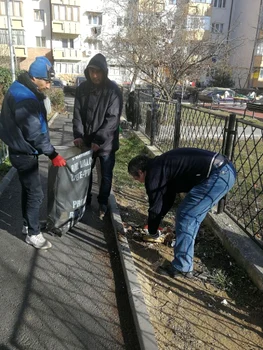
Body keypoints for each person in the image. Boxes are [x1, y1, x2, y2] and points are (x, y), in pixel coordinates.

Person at [128, 148, 236, 279]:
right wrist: (157, 220)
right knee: (191, 215)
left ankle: (182, 267)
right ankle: (187, 247)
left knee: (186, 216)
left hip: (218, 176)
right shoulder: (160, 165)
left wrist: (152, 231)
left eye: (135, 178)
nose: (137, 181)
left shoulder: (153, 174)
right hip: (224, 171)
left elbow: (155, 206)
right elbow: (167, 199)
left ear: (140, 172)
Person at [0, 56, 66, 250]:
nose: (48, 86)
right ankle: (33, 234)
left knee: (28, 190)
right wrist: (53, 154)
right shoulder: (25, 98)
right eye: (46, 81)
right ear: (35, 78)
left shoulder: (20, 87)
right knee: (36, 194)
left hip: (20, 149)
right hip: (24, 151)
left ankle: (28, 224)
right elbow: (35, 133)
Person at [73, 53, 122, 218]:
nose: (95, 75)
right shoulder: (82, 89)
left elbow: (112, 119)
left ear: (104, 72)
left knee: (106, 175)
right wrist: (78, 135)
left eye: (98, 71)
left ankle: (102, 203)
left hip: (106, 144)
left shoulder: (113, 91)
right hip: (86, 141)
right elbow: (77, 114)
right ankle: (84, 201)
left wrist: (99, 140)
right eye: (92, 71)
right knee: (85, 172)